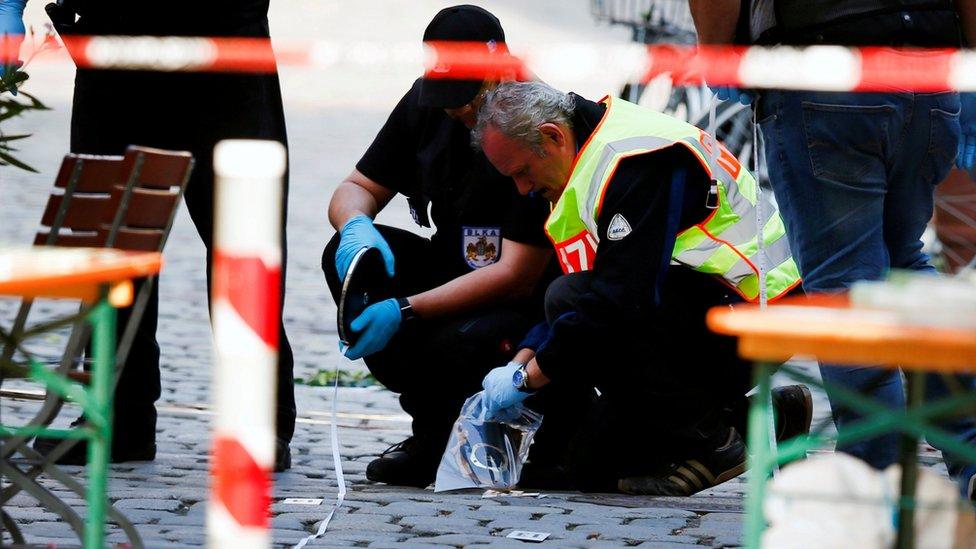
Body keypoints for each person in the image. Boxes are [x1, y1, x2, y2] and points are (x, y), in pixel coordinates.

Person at [689, 0, 976, 498]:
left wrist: (720, 55)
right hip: (930, 77)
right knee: (902, 263)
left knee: (846, 287)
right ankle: (971, 451)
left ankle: (872, 478)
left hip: (825, 73)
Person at [472, 81, 810, 495]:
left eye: (522, 172)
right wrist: (520, 361)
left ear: (552, 136)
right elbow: (592, 292)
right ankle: (768, 419)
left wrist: (529, 379)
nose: (522, 189)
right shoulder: (584, 154)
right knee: (589, 467)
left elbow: (614, 301)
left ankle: (713, 441)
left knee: (571, 298)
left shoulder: (635, 161)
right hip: (696, 313)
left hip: (758, 314)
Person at [12, 0, 296, 470]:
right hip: (115, 43)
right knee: (114, 241)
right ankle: (119, 419)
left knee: (243, 239)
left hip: (221, 44)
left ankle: (259, 422)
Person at [322, 5, 581, 489]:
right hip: (450, 267)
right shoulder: (432, 103)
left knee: (456, 341)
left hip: (521, 304)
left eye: (467, 97)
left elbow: (515, 275)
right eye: (446, 97)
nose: (456, 110)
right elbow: (357, 185)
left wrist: (405, 309)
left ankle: (527, 435)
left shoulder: (532, 119)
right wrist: (355, 225)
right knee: (353, 260)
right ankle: (432, 432)